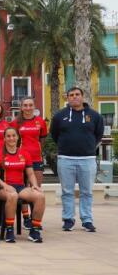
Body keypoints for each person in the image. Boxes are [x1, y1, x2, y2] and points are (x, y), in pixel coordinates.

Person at [51, 87, 104, 232]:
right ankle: (68, 219)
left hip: (87, 159)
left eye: (77, 94)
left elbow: (98, 135)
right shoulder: (59, 116)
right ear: (67, 98)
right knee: (67, 191)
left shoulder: (94, 116)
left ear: (82, 96)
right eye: (71, 95)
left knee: (86, 192)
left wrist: (88, 146)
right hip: (65, 159)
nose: (74, 97)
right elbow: (55, 135)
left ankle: (87, 220)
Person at [0, 127, 46, 243]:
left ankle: (34, 230)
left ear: (18, 137)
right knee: (12, 196)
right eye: (8, 136)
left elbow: (30, 173)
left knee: (40, 196)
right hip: (3, 189)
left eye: (13, 136)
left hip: (20, 187)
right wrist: (5, 185)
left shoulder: (24, 153)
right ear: (4, 138)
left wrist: (35, 185)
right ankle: (9, 230)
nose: (11, 138)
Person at [10, 96, 48, 229]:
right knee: (24, 189)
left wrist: (36, 151)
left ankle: (35, 218)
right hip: (20, 160)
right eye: (25, 105)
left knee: (36, 188)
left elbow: (42, 140)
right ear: (21, 107)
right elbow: (11, 141)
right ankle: (26, 217)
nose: (27, 108)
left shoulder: (40, 122)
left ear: (34, 106)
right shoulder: (15, 123)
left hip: (36, 159)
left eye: (30, 105)